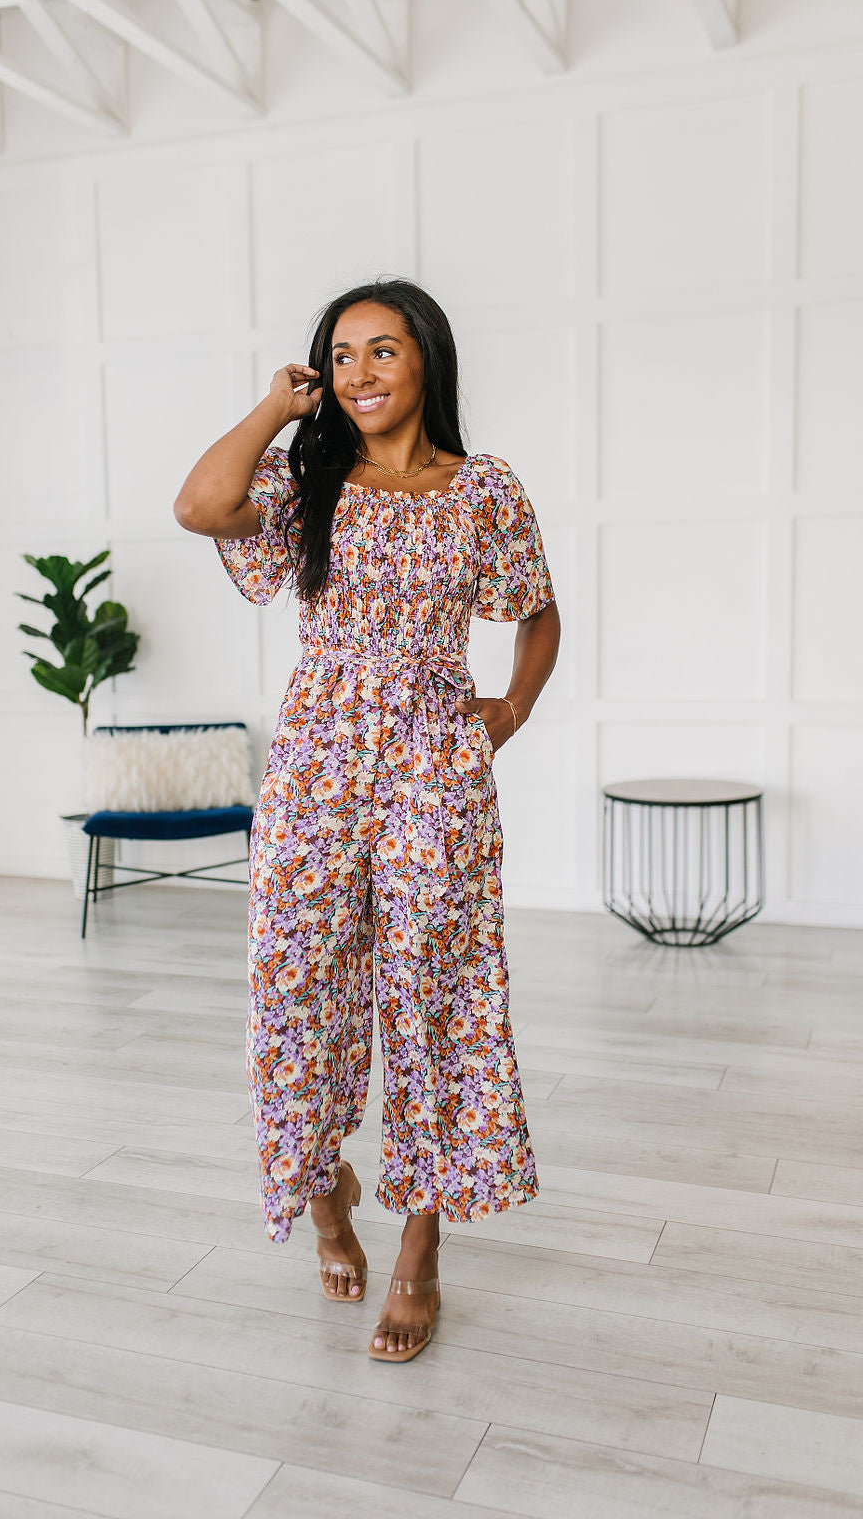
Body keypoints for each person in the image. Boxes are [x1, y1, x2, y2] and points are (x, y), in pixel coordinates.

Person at [175, 277, 560, 1363]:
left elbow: (535, 608)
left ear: (427, 359)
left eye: (381, 352)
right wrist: (276, 408)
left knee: (437, 988)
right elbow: (201, 507)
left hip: (436, 757)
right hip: (318, 755)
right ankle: (324, 1192)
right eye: (339, 358)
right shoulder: (309, 477)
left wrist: (512, 708)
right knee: (295, 975)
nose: (359, 376)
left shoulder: (481, 488)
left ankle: (422, 1246)